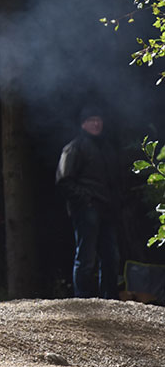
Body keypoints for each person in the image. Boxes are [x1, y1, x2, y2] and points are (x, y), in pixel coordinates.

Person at [55, 105, 124, 299]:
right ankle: (82, 299)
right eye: (91, 120)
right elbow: (63, 180)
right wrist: (85, 200)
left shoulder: (107, 148)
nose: (96, 123)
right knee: (86, 256)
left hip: (107, 209)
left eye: (98, 120)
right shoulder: (74, 147)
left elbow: (115, 180)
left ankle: (110, 299)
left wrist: (116, 201)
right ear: (83, 124)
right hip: (87, 210)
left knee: (111, 256)